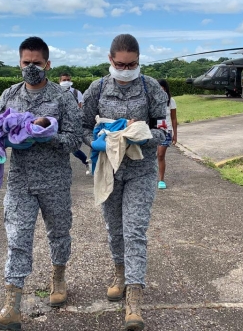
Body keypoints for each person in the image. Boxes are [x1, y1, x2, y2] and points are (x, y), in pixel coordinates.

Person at [0, 37, 82, 331]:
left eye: (37, 63)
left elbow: (75, 139)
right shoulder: (9, 94)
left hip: (55, 180)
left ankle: (59, 279)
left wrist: (47, 135)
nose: (31, 68)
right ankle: (11, 307)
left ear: (48, 64)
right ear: (19, 63)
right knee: (17, 240)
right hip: (21, 181)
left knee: (59, 233)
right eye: (26, 63)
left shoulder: (62, 97)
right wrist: (11, 131)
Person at [81, 33, 167, 331]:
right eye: (121, 64)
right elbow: (80, 127)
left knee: (135, 230)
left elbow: (165, 132)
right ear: (110, 60)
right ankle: (119, 274)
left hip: (141, 169)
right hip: (108, 168)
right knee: (114, 228)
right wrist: (97, 142)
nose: (126, 69)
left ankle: (134, 299)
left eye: (132, 64)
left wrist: (140, 133)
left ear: (139, 61)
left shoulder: (151, 87)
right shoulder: (98, 88)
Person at [59, 72, 90, 174]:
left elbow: (80, 107)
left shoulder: (77, 93)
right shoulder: (55, 93)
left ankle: (86, 162)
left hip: (73, 123)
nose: (66, 82)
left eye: (68, 79)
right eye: (64, 80)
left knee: (73, 148)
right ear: (59, 81)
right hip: (59, 124)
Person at [156, 79, 177, 190]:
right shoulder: (152, 100)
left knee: (160, 155)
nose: (160, 89)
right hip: (153, 131)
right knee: (149, 156)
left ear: (165, 88)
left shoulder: (171, 101)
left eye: (161, 87)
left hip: (166, 131)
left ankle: (161, 179)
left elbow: (173, 118)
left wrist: (175, 134)